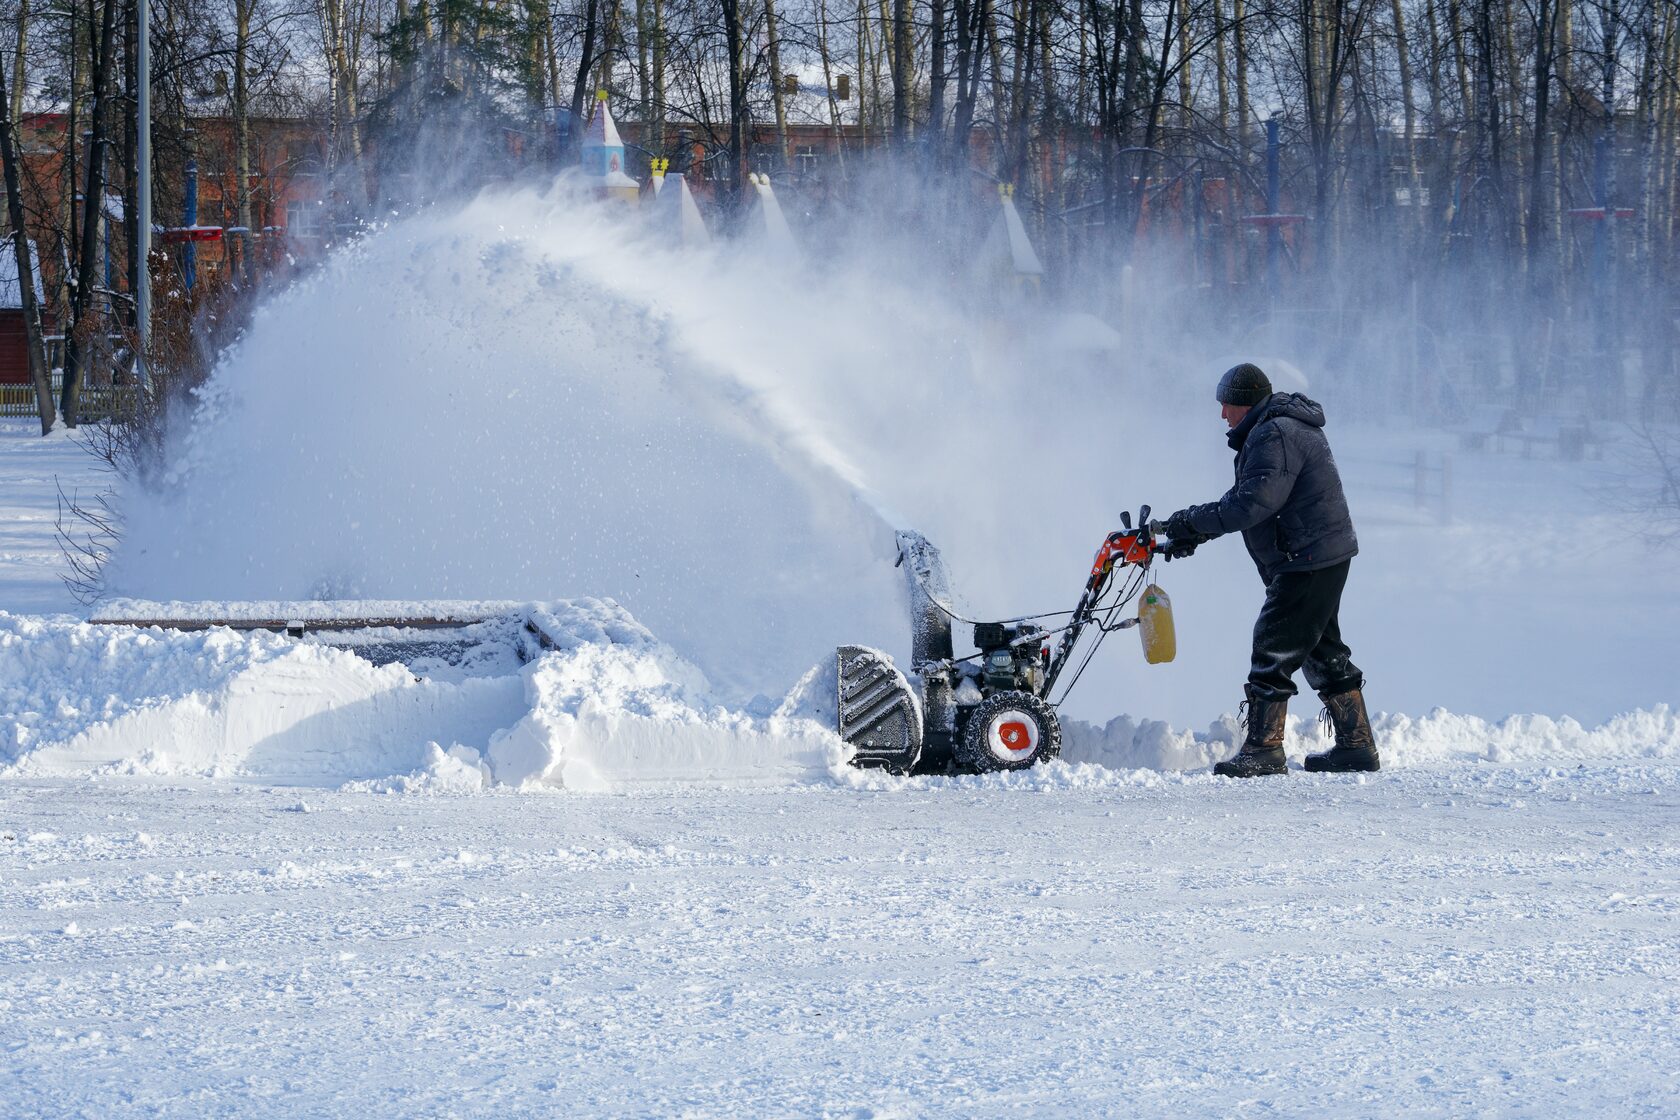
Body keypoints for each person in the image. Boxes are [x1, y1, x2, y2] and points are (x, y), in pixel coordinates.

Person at [1162, 363, 1380, 777]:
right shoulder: (1275, 429)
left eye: (1226, 405)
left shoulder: (1275, 433)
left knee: (1273, 645)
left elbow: (1251, 504)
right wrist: (1194, 532)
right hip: (1318, 554)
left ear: (1245, 402)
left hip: (1307, 558)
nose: (1222, 415)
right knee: (1321, 650)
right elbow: (1250, 498)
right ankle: (1357, 746)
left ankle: (1264, 748)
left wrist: (1191, 521)